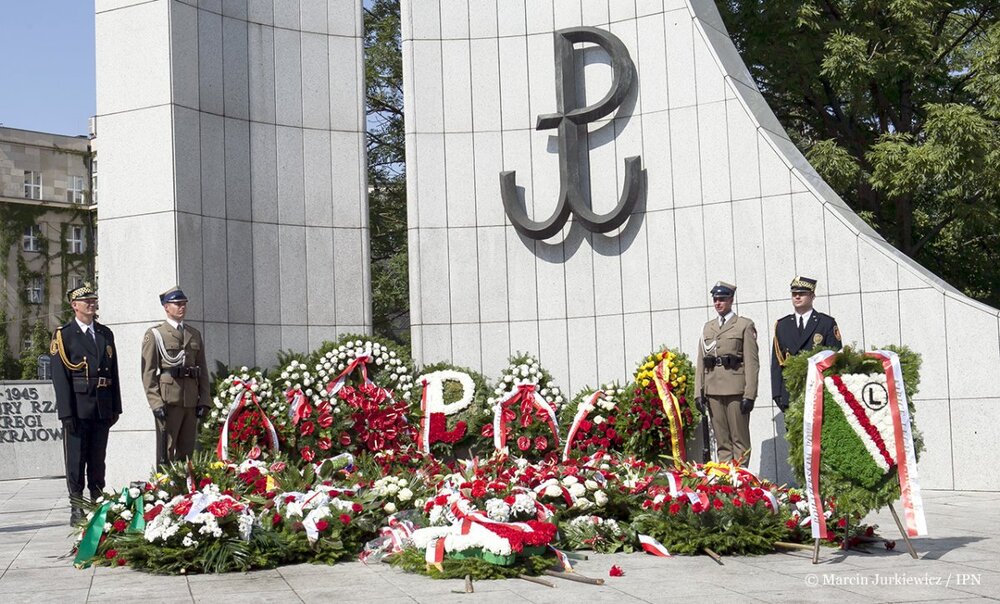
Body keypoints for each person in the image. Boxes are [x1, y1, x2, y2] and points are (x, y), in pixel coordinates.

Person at [50, 283, 121, 525]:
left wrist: (116, 407)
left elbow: (114, 373)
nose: (91, 304)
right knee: (76, 458)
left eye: (93, 300)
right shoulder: (64, 335)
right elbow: (60, 378)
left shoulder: (104, 333)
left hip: (102, 405)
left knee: (97, 457)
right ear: (74, 305)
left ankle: (96, 499)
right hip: (78, 408)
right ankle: (76, 505)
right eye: (86, 301)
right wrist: (66, 412)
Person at [140, 287, 210, 466]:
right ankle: (166, 492)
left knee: (187, 452)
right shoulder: (156, 334)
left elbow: (201, 368)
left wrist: (204, 400)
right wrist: (155, 403)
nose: (182, 307)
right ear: (166, 307)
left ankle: (187, 492)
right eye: (177, 304)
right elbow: (148, 373)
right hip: (169, 401)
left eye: (184, 304)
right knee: (167, 451)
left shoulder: (193, 334)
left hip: (191, 400)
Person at [694, 281, 759, 464]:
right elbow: (701, 361)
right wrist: (698, 392)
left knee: (740, 441)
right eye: (715, 299)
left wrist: (750, 394)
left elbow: (752, 363)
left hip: (736, 390)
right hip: (713, 389)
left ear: (731, 300)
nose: (718, 303)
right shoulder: (708, 327)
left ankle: (741, 480)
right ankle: (726, 483)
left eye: (722, 299)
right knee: (722, 441)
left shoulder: (744, 325)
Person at [771, 276, 842, 411]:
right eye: (794, 294)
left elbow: (836, 358)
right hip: (791, 392)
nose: (797, 297)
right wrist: (777, 394)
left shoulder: (826, 323)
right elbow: (776, 362)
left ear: (812, 296)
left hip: (818, 391)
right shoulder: (782, 325)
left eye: (802, 293)